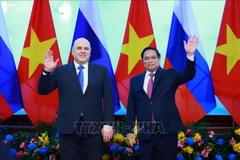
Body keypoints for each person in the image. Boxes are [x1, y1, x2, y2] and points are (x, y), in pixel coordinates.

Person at [37, 38, 114, 160]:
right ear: (72, 52)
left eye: (86, 48)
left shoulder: (101, 71)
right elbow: (43, 90)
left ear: (90, 52)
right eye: (79, 48)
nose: (83, 51)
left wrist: (108, 124)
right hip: (68, 128)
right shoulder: (61, 71)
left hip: (94, 128)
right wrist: (47, 70)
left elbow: (109, 99)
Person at [125, 36, 199, 160]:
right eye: (146, 58)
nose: (150, 60)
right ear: (142, 61)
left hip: (167, 130)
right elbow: (131, 107)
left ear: (159, 59)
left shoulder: (170, 75)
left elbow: (188, 75)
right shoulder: (135, 80)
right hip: (146, 132)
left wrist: (190, 55)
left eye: (153, 57)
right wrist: (129, 130)